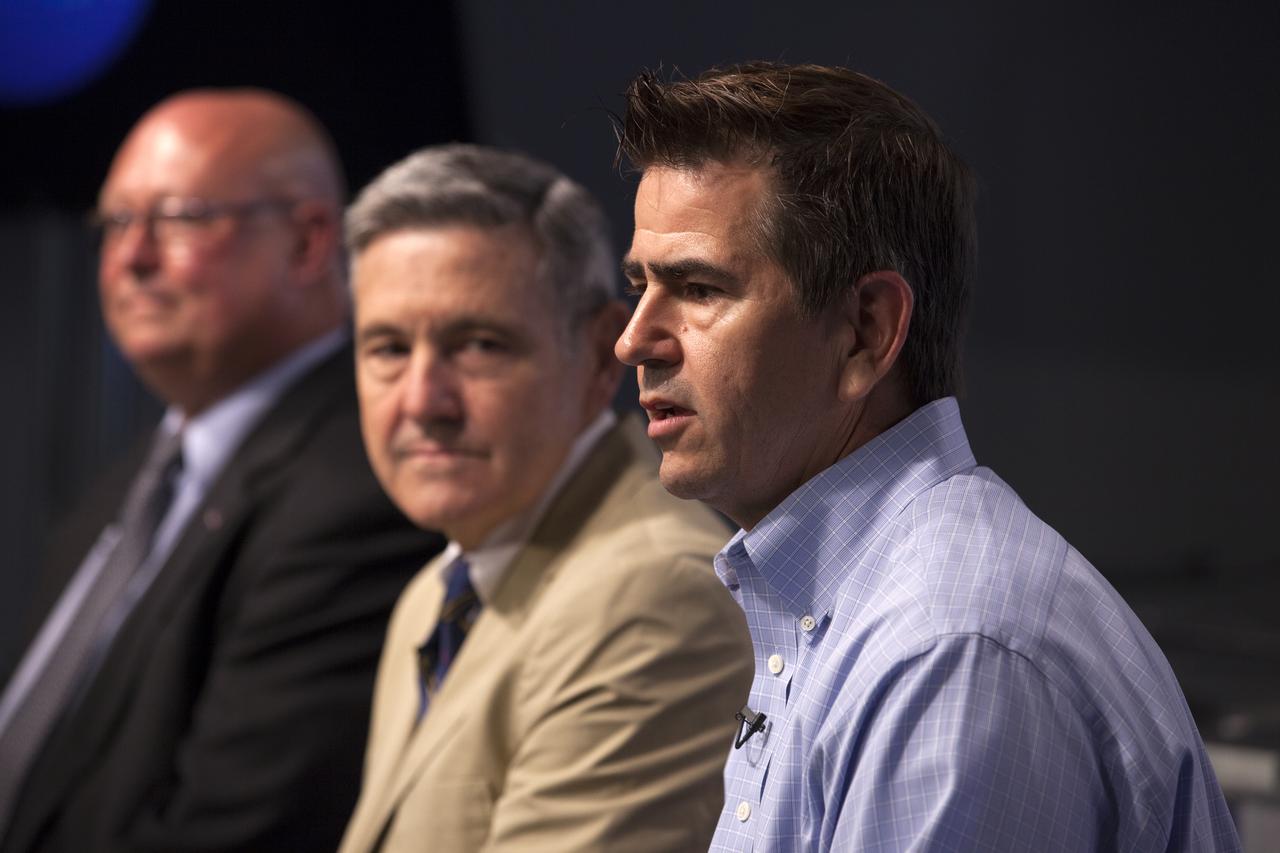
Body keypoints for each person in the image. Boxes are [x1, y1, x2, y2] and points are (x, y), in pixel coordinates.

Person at [614, 62, 1240, 851]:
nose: (633, 338)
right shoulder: (868, 606)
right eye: (639, 284)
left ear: (867, 331)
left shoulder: (948, 652)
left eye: (699, 288)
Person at [0, 89, 443, 853]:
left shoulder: (363, 489)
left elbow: (240, 832)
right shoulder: (125, 488)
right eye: (115, 222)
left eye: (178, 219)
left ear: (308, 244)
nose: (132, 258)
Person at [338, 144, 753, 853]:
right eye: (387, 348)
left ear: (598, 357)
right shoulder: (435, 591)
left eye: (478, 344)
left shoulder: (650, 597)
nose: (421, 400)